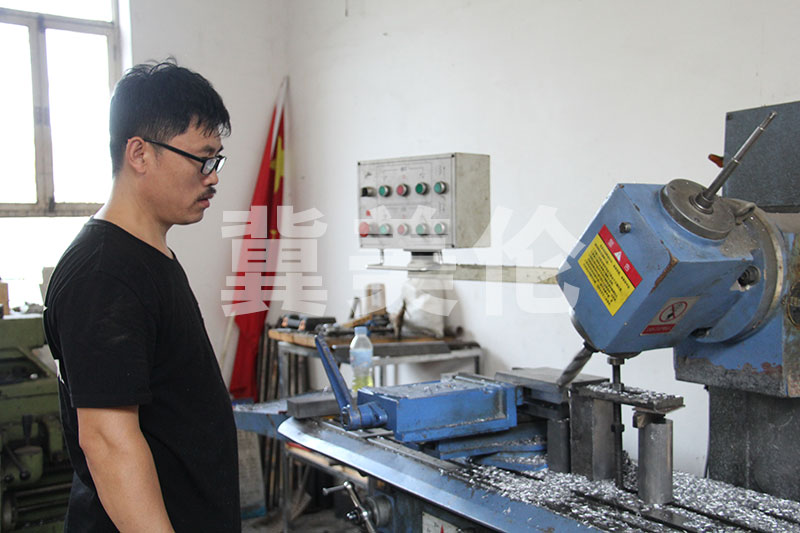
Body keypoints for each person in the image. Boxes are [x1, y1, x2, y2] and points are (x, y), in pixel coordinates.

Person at [44, 61, 240, 532]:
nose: (213, 176)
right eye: (202, 159)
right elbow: (109, 443)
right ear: (140, 153)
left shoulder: (146, 256)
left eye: (217, 161)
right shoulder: (105, 274)